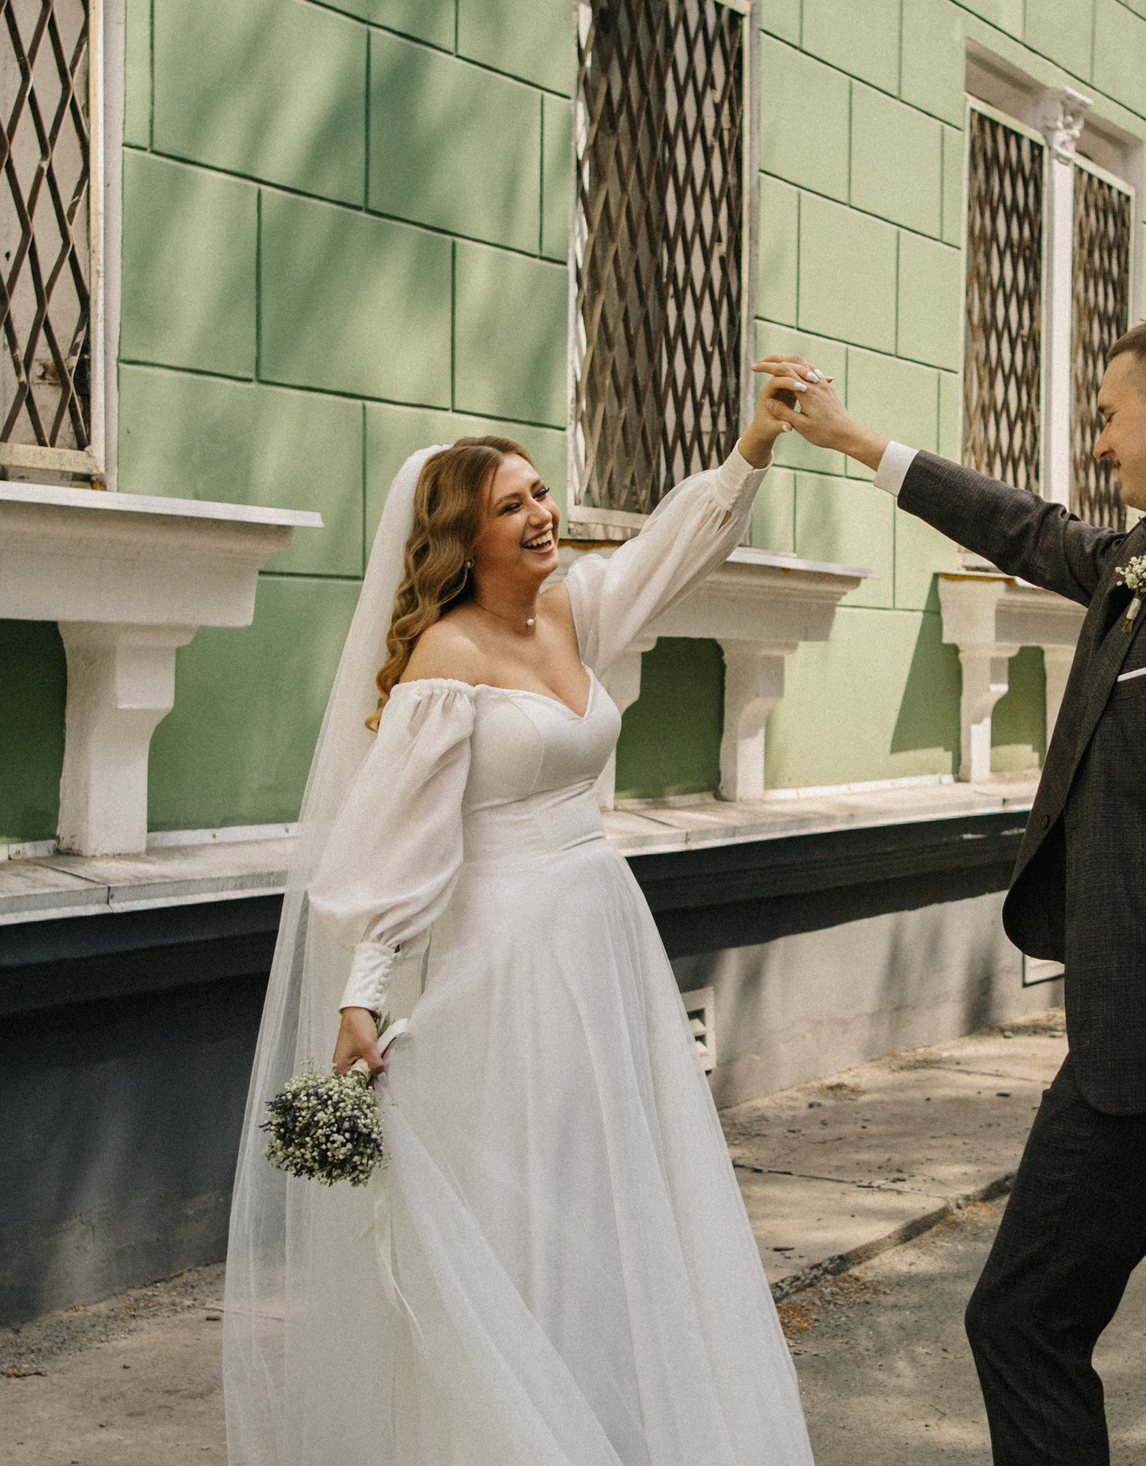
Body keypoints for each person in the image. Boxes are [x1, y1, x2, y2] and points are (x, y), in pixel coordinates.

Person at [221, 359, 825, 1464]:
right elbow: (403, 847)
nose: (543, 515)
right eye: (514, 505)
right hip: (504, 955)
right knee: (522, 1193)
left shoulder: (572, 612)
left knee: (605, 1183)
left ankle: (602, 1410)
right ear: (465, 540)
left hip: (600, 935)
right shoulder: (445, 663)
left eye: (541, 493)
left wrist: (753, 448)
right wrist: (361, 995)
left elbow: (668, 554)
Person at [764, 313, 1146, 1466]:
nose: (1103, 443)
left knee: (1022, 1320)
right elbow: (1024, 530)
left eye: (1113, 415)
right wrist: (851, 440)